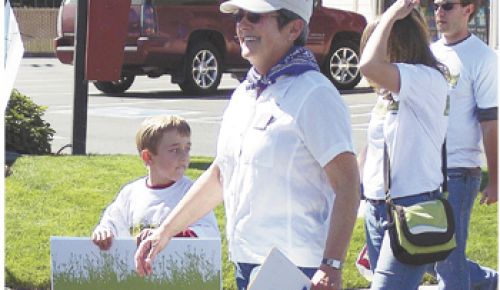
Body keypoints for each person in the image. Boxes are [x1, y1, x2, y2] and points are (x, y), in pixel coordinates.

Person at [135, 0, 361, 289]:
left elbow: (348, 185)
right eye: (239, 16)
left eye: (255, 16)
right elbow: (221, 174)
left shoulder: (315, 94)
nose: (242, 25)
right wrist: (164, 232)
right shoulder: (244, 93)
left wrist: (331, 265)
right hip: (248, 263)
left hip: (299, 270)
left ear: (294, 28)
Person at [359, 0, 449, 288]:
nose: (369, 50)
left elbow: (368, 66)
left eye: (376, 41)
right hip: (377, 207)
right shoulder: (389, 93)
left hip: (413, 206)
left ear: (398, 43)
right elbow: (373, 148)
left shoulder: (426, 80)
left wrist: (389, 16)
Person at [430, 1, 498, 289]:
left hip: (459, 171)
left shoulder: (483, 57)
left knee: (448, 260)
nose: (438, 13)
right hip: (425, 169)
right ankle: (486, 280)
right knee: (429, 253)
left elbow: (490, 122)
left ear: (469, 9)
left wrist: (494, 179)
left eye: (447, 6)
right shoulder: (428, 52)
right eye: (435, 6)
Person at [91, 115, 219, 251]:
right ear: (148, 157)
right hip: (137, 269)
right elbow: (112, 223)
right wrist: (104, 232)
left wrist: (167, 235)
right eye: (174, 150)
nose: (184, 157)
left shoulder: (193, 192)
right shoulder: (131, 193)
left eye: (187, 148)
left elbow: (208, 233)